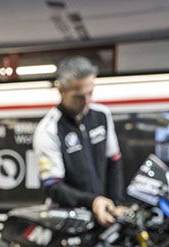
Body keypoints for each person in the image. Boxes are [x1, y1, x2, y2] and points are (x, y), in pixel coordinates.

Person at [33, 56, 125, 225]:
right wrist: (93, 201)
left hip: (104, 212)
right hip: (68, 221)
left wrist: (116, 203)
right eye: (78, 96)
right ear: (60, 90)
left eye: (90, 92)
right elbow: (53, 187)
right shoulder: (49, 129)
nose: (86, 101)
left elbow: (113, 161)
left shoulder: (102, 115)